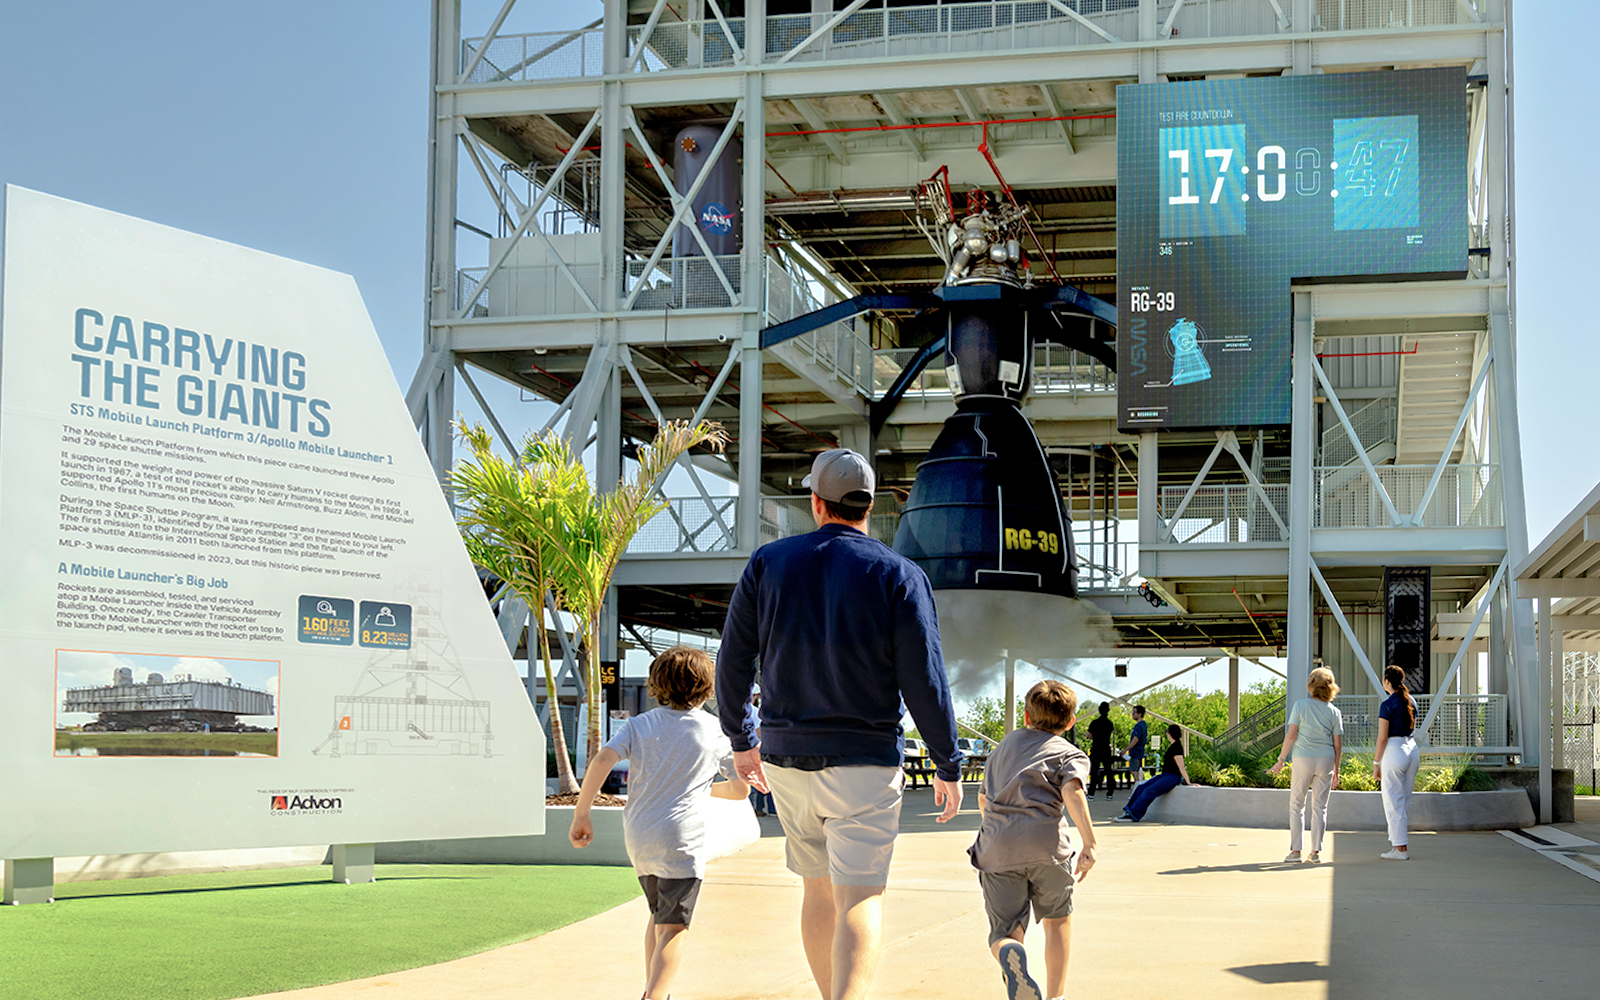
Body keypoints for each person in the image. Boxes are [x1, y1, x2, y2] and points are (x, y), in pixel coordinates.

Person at [716, 447, 963, 1000]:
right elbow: (924, 676)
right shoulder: (900, 574)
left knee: (817, 892)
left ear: (816, 502)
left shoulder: (768, 563)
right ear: (870, 505)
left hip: (784, 758)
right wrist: (947, 762)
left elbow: (732, 659)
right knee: (861, 898)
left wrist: (741, 738)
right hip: (865, 762)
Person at [570, 646, 751, 1000]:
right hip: (682, 840)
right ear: (708, 688)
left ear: (656, 684)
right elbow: (741, 790)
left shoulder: (639, 725)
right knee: (674, 927)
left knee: (657, 917)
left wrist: (582, 812)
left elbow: (605, 757)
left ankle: (655, 989)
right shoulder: (714, 731)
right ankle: (654, 996)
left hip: (640, 836)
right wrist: (700, 789)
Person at [968, 680, 1096, 1000]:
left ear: (1026, 717)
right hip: (1047, 848)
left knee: (1005, 930)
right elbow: (1072, 791)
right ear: (1070, 722)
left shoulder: (1002, 749)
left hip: (997, 847)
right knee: (1057, 921)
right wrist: (1089, 843)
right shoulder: (1069, 753)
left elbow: (984, 801)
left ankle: (1010, 951)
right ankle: (1055, 997)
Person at [1267, 667, 1345, 864]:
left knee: (1297, 805)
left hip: (1303, 758)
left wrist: (1281, 760)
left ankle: (1295, 851)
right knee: (1320, 807)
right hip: (1326, 759)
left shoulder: (1300, 706)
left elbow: (1291, 735)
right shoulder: (1335, 712)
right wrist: (1337, 770)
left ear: (1311, 685)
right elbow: (1338, 745)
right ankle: (1316, 853)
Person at [1373, 665, 1420, 860]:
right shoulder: (1412, 701)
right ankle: (1396, 845)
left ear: (1386, 681)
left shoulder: (1387, 704)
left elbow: (1382, 738)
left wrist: (1376, 763)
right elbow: (1413, 728)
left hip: (1394, 750)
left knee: (1392, 802)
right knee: (1403, 802)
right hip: (1412, 749)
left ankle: (1400, 849)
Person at [1114, 723, 1191, 822]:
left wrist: (1188, 782)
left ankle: (1133, 815)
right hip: (1165, 775)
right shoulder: (1173, 746)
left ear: (1170, 734)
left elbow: (1181, 767)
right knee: (1142, 787)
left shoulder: (1177, 747)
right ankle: (1128, 810)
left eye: (1167, 731)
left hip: (1172, 777)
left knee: (1149, 790)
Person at [1084, 702, 1116, 801]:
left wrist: (1093, 736)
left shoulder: (1094, 723)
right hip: (1106, 748)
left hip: (1096, 748)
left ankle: (1092, 793)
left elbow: (1087, 735)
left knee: (1094, 771)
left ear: (1099, 710)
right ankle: (1110, 793)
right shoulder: (1109, 723)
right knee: (1108, 771)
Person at [1123, 705, 1149, 788]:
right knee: (1139, 770)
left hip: (1136, 751)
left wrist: (1126, 749)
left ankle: (1138, 788)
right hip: (1140, 751)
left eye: (1134, 712)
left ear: (1140, 714)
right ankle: (1142, 787)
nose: (1132, 714)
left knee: (1134, 771)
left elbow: (1135, 739)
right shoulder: (1143, 725)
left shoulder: (1139, 726)